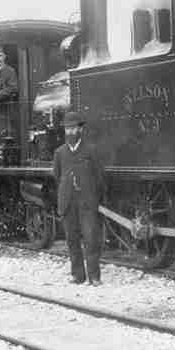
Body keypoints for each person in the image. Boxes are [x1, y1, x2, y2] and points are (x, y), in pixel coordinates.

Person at [52, 112, 105, 285]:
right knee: (72, 240)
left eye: (74, 128)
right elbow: (57, 176)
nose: (71, 132)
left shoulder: (91, 150)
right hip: (68, 203)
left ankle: (94, 277)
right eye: (68, 128)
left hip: (87, 202)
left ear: (80, 129)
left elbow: (99, 178)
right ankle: (78, 275)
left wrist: (94, 199)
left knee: (91, 239)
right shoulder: (59, 153)